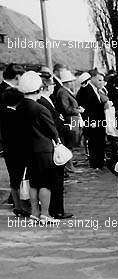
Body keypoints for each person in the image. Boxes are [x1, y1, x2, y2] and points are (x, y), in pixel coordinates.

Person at [16, 71, 60, 224]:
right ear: (39, 89)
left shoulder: (19, 107)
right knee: (45, 183)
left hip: (28, 149)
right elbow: (52, 130)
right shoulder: (41, 109)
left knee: (33, 182)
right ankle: (45, 213)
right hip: (43, 150)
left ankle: (34, 212)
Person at [36, 72, 72, 220]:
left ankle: (57, 208)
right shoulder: (43, 103)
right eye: (52, 85)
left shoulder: (47, 101)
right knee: (55, 180)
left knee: (57, 179)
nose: (53, 87)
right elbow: (54, 124)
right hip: (52, 144)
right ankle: (56, 210)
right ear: (45, 86)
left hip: (54, 141)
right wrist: (67, 127)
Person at [0, 86, 29, 217]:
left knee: (13, 178)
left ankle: (17, 206)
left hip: (7, 149)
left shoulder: (2, 112)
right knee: (21, 177)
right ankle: (22, 205)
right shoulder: (17, 114)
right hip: (20, 148)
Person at [78, 69, 108, 169]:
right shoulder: (86, 89)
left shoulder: (94, 89)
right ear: (93, 78)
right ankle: (96, 164)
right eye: (99, 80)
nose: (101, 82)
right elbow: (85, 107)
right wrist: (90, 121)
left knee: (99, 142)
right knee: (94, 143)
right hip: (93, 121)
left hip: (99, 121)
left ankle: (99, 162)